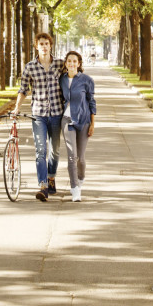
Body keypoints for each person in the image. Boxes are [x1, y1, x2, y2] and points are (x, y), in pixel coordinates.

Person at [15, 31, 65, 201]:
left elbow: (71, 78)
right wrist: (16, 109)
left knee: (55, 151)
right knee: (40, 150)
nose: (44, 46)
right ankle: (43, 185)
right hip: (38, 114)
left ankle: (51, 177)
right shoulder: (30, 67)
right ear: (36, 46)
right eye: (41, 44)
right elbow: (23, 90)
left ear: (51, 46)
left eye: (46, 43)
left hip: (57, 113)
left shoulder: (60, 64)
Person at [60, 50, 96, 202]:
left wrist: (92, 123)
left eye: (75, 61)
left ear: (79, 64)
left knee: (80, 158)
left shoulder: (86, 80)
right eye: (69, 61)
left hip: (84, 121)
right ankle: (75, 189)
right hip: (67, 120)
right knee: (71, 156)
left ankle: (80, 178)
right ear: (66, 63)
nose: (72, 64)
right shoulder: (61, 79)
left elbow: (92, 101)